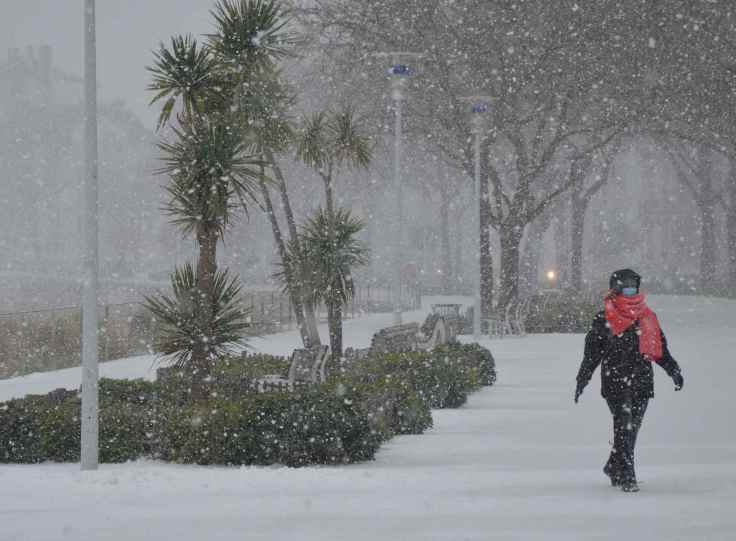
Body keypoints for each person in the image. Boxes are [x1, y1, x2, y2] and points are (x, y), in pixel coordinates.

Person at [574, 269, 684, 493]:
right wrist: (582, 380)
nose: (630, 290)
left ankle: (613, 466)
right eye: (625, 286)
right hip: (615, 382)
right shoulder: (604, 318)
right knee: (624, 427)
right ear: (615, 288)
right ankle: (627, 476)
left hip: (642, 382)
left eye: (633, 285)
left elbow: (660, 350)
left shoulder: (647, 317)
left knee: (631, 431)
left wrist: (673, 370)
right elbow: (592, 355)